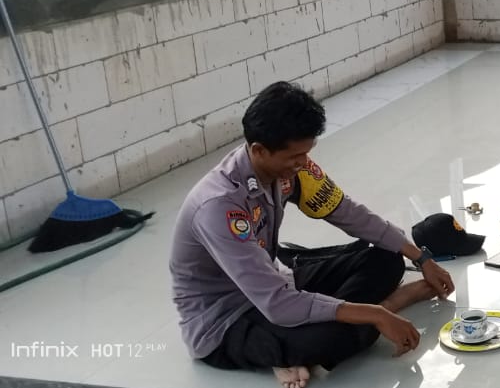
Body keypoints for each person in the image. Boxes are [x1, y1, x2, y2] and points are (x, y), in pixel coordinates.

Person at [169, 82, 455, 388]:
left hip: (276, 283)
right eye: (296, 155)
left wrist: (420, 257)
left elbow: (347, 212)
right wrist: (377, 314)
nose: (304, 163)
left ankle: (348, 326)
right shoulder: (218, 206)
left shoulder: (289, 167)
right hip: (227, 319)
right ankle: (390, 306)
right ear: (259, 151)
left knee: (388, 258)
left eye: (307, 153)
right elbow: (277, 303)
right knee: (329, 340)